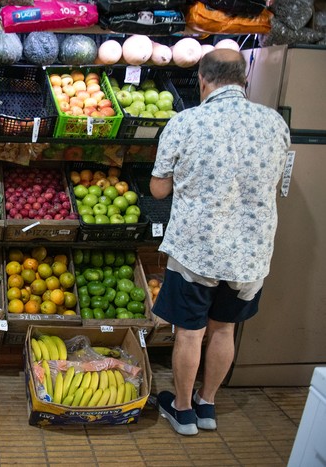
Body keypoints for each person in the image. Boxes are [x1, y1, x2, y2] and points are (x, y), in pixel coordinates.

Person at [149, 49, 290, 436]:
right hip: (251, 253)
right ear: (244, 80)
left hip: (199, 250)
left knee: (190, 333)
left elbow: (158, 190)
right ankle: (207, 404)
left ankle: (181, 410)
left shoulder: (185, 122)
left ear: (202, 80)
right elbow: (277, 182)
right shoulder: (275, 123)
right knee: (224, 330)